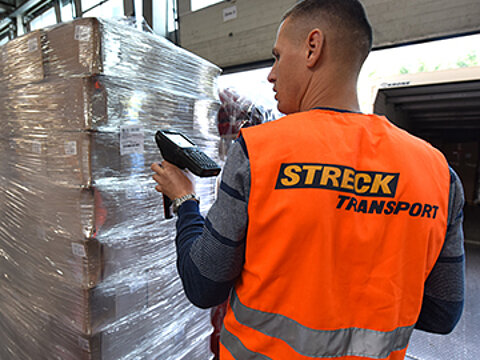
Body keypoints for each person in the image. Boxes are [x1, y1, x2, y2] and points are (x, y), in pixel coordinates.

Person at [151, 0, 465, 359]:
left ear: (312, 48)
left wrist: (184, 201)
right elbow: (443, 313)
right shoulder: (439, 174)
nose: (271, 74)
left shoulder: (259, 151)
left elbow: (203, 284)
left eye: (277, 56)